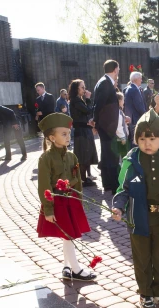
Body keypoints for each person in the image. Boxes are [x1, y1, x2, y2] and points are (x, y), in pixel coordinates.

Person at [112, 110, 159, 308]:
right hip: (139, 218)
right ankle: (145, 295)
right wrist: (118, 207)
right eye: (142, 138)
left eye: (152, 138)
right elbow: (123, 188)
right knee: (142, 258)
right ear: (136, 139)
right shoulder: (131, 161)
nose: (147, 143)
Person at [36, 113, 97, 282]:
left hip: (70, 201)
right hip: (57, 203)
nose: (68, 136)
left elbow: (78, 182)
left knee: (67, 235)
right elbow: (44, 185)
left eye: (68, 133)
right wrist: (48, 209)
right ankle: (76, 269)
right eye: (63, 134)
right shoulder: (46, 158)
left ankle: (67, 266)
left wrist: (79, 200)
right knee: (69, 235)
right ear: (52, 137)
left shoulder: (72, 156)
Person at [93, 60, 122, 194]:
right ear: (115, 69)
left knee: (106, 156)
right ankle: (114, 185)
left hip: (106, 126)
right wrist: (96, 122)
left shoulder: (104, 81)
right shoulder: (105, 83)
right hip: (107, 127)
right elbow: (99, 105)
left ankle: (108, 184)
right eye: (119, 69)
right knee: (111, 156)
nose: (119, 72)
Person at [68, 79, 98, 186]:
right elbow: (88, 110)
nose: (84, 90)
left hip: (85, 129)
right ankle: (83, 179)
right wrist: (89, 99)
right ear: (77, 89)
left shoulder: (78, 99)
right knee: (83, 154)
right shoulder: (75, 100)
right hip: (81, 131)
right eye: (82, 87)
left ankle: (85, 177)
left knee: (86, 153)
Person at [124, 71, 146, 145]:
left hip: (132, 118)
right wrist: (146, 115)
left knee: (133, 140)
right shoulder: (134, 89)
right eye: (140, 78)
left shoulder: (130, 88)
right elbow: (139, 105)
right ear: (136, 79)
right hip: (135, 119)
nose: (141, 80)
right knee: (135, 141)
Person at [114, 92, 131, 158]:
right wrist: (123, 138)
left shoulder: (119, 111)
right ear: (120, 101)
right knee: (123, 157)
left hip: (121, 138)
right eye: (123, 100)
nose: (124, 102)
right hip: (121, 139)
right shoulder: (118, 112)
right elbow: (118, 127)